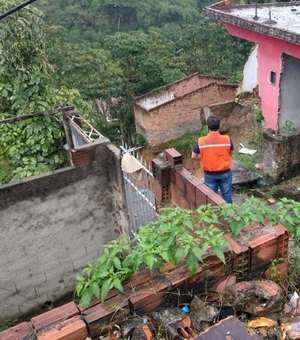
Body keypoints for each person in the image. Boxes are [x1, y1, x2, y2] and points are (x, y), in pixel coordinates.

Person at [191, 116, 233, 203]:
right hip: (225, 173)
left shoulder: (201, 141)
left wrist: (202, 157)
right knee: (226, 195)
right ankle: (229, 215)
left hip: (210, 174)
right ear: (219, 126)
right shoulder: (227, 139)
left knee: (211, 198)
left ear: (208, 127)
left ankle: (214, 215)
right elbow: (230, 153)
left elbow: (193, 156)